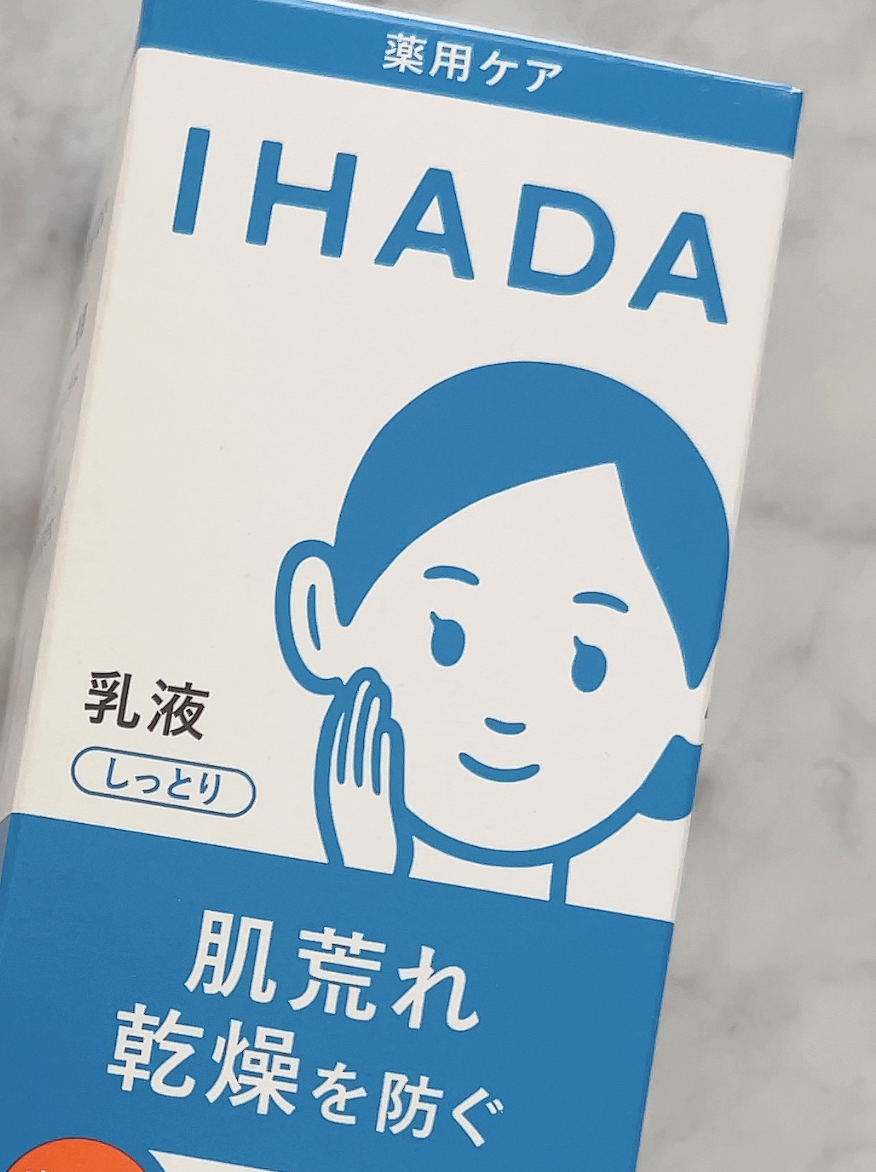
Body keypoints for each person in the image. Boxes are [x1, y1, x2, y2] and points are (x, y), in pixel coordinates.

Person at [272, 360, 729, 916]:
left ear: (692, 694)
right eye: (448, 639)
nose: (507, 714)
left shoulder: (620, 910)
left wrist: (368, 888)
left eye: (588, 666)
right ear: (320, 617)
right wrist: (363, 881)